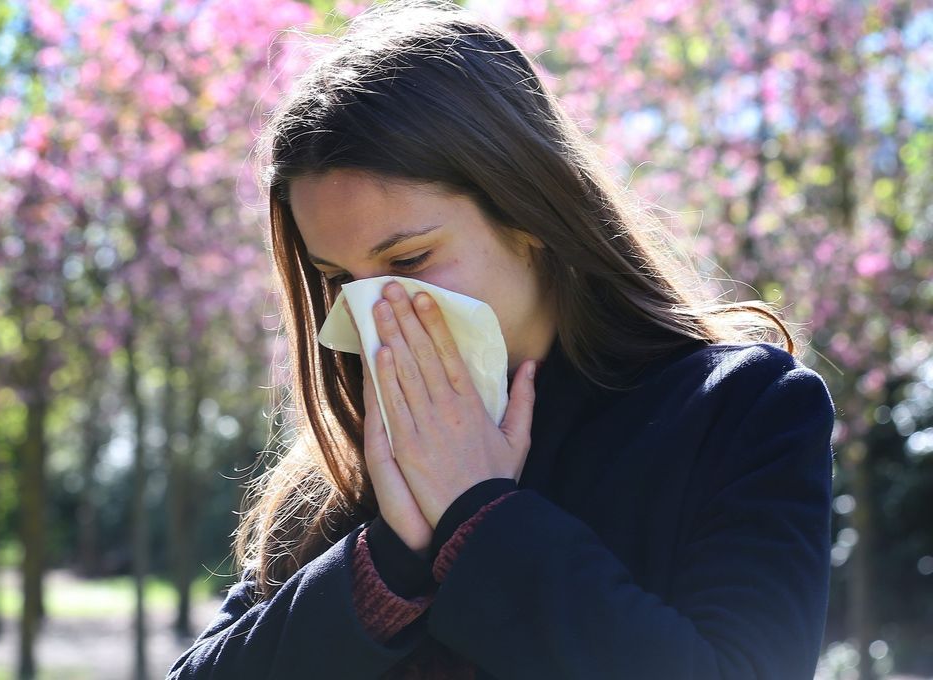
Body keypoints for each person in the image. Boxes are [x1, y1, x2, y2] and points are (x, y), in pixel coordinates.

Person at [168, 1, 836, 678]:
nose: (375, 312)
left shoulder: (740, 410)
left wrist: (477, 517)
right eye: (339, 278)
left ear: (529, 216)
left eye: (408, 261)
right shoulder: (345, 465)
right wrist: (390, 559)